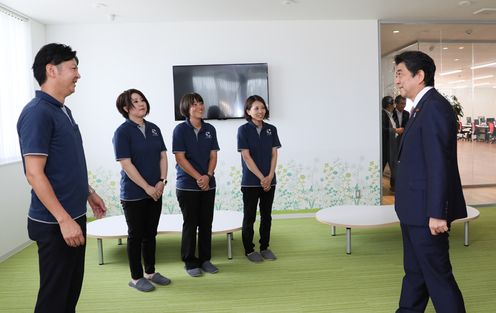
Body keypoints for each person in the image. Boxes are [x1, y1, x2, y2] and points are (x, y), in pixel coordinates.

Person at [16, 43, 107, 313]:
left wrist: (88, 192)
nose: (78, 74)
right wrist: (64, 219)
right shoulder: (37, 113)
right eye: (73, 68)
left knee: (69, 292)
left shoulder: (63, 111)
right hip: (55, 221)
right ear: (51, 70)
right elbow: (34, 173)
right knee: (54, 297)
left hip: (72, 215)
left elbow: (67, 163)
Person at [394, 50, 467, 313]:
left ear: (420, 75)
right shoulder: (421, 108)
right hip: (414, 210)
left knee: (438, 277)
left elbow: (439, 164)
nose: (397, 81)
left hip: (427, 214)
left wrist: (437, 214)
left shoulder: (434, 107)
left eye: (400, 73)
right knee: (414, 273)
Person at [112, 89, 171, 292]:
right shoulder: (122, 132)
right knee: (135, 235)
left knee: (150, 234)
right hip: (134, 194)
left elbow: (163, 156)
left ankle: (151, 272)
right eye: (135, 101)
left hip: (156, 191)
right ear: (126, 108)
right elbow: (126, 164)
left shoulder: (154, 128)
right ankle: (136, 278)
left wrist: (162, 181)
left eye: (142, 99)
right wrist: (146, 187)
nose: (141, 103)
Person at [172, 92, 220, 277]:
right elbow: (180, 158)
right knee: (190, 223)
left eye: (201, 102)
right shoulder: (180, 130)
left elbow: (213, 155)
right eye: (194, 104)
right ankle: (190, 261)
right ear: (186, 108)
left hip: (208, 183)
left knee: (206, 223)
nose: (199, 106)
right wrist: (199, 177)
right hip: (187, 185)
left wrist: (207, 175)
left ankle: (205, 259)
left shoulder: (210, 129)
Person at [237, 95, 281, 262]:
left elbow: (274, 154)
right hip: (250, 182)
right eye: (256, 108)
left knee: (266, 215)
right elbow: (246, 157)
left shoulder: (271, 129)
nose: (260, 111)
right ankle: (249, 250)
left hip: (270, 181)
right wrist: (262, 177)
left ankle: (265, 247)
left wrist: (270, 176)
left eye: (262, 108)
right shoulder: (243, 130)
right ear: (248, 111)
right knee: (249, 216)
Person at [381, 95, 399, 191]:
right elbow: (383, 129)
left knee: (394, 166)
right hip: (386, 145)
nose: (394, 106)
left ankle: (394, 186)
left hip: (392, 144)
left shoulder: (391, 114)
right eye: (393, 104)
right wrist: (395, 130)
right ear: (388, 105)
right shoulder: (382, 114)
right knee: (384, 165)